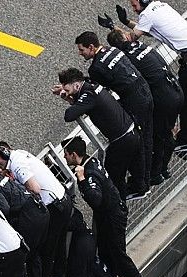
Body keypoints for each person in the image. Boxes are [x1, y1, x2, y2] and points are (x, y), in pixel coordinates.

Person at [63, 136, 154, 277]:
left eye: (66, 155)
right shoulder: (92, 161)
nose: (65, 158)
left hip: (112, 217)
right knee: (106, 254)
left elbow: (95, 200)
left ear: (74, 155)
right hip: (110, 214)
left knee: (117, 255)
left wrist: (81, 180)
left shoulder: (88, 173)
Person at [117, 0, 187, 153]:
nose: (134, 9)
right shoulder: (161, 5)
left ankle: (186, 140)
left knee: (186, 100)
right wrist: (127, 21)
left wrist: (113, 27)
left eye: (134, 5)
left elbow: (130, 38)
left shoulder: (147, 14)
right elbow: (149, 31)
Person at [0, 144, 71, 277]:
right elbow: (6, 169)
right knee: (57, 245)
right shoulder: (18, 155)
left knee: (45, 249)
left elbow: (34, 188)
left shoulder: (18, 165)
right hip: (62, 201)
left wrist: (27, 200)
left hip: (54, 207)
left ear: (5, 153)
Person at [53, 67, 148, 201]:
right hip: (131, 132)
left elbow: (69, 115)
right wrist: (68, 95)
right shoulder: (91, 85)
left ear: (76, 85)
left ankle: (119, 203)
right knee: (128, 169)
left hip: (123, 140)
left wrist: (66, 96)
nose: (66, 92)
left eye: (67, 89)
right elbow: (81, 104)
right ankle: (138, 189)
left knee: (111, 176)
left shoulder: (88, 95)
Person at [106, 27, 184, 182]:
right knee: (165, 133)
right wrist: (113, 27)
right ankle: (161, 169)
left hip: (163, 99)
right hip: (175, 90)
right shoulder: (140, 45)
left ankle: (156, 173)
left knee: (160, 136)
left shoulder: (126, 58)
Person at [75, 31, 154, 185]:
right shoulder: (114, 50)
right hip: (145, 90)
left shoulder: (96, 67)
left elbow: (98, 90)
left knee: (140, 139)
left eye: (81, 50)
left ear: (91, 47)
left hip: (134, 100)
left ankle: (142, 181)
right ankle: (147, 175)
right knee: (147, 135)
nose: (80, 53)